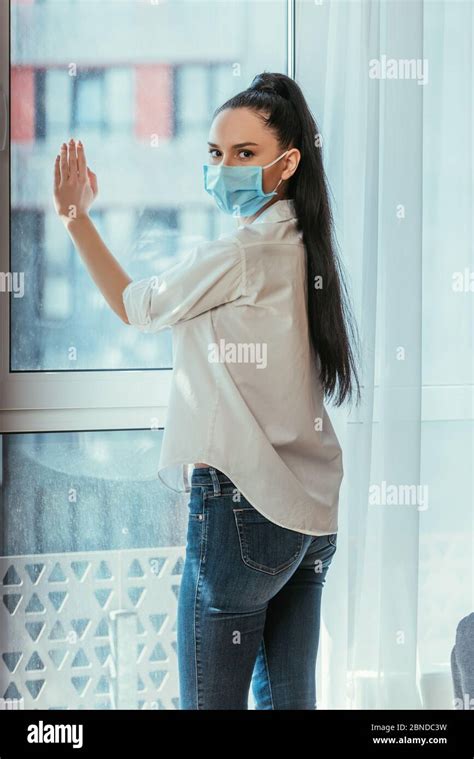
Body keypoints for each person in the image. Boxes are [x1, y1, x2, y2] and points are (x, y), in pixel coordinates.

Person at [53, 71, 361, 710]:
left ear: (288, 162)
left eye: (245, 154)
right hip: (310, 517)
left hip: (243, 509)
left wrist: (77, 217)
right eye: (215, 154)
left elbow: (137, 305)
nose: (224, 169)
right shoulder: (306, 244)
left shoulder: (244, 251)